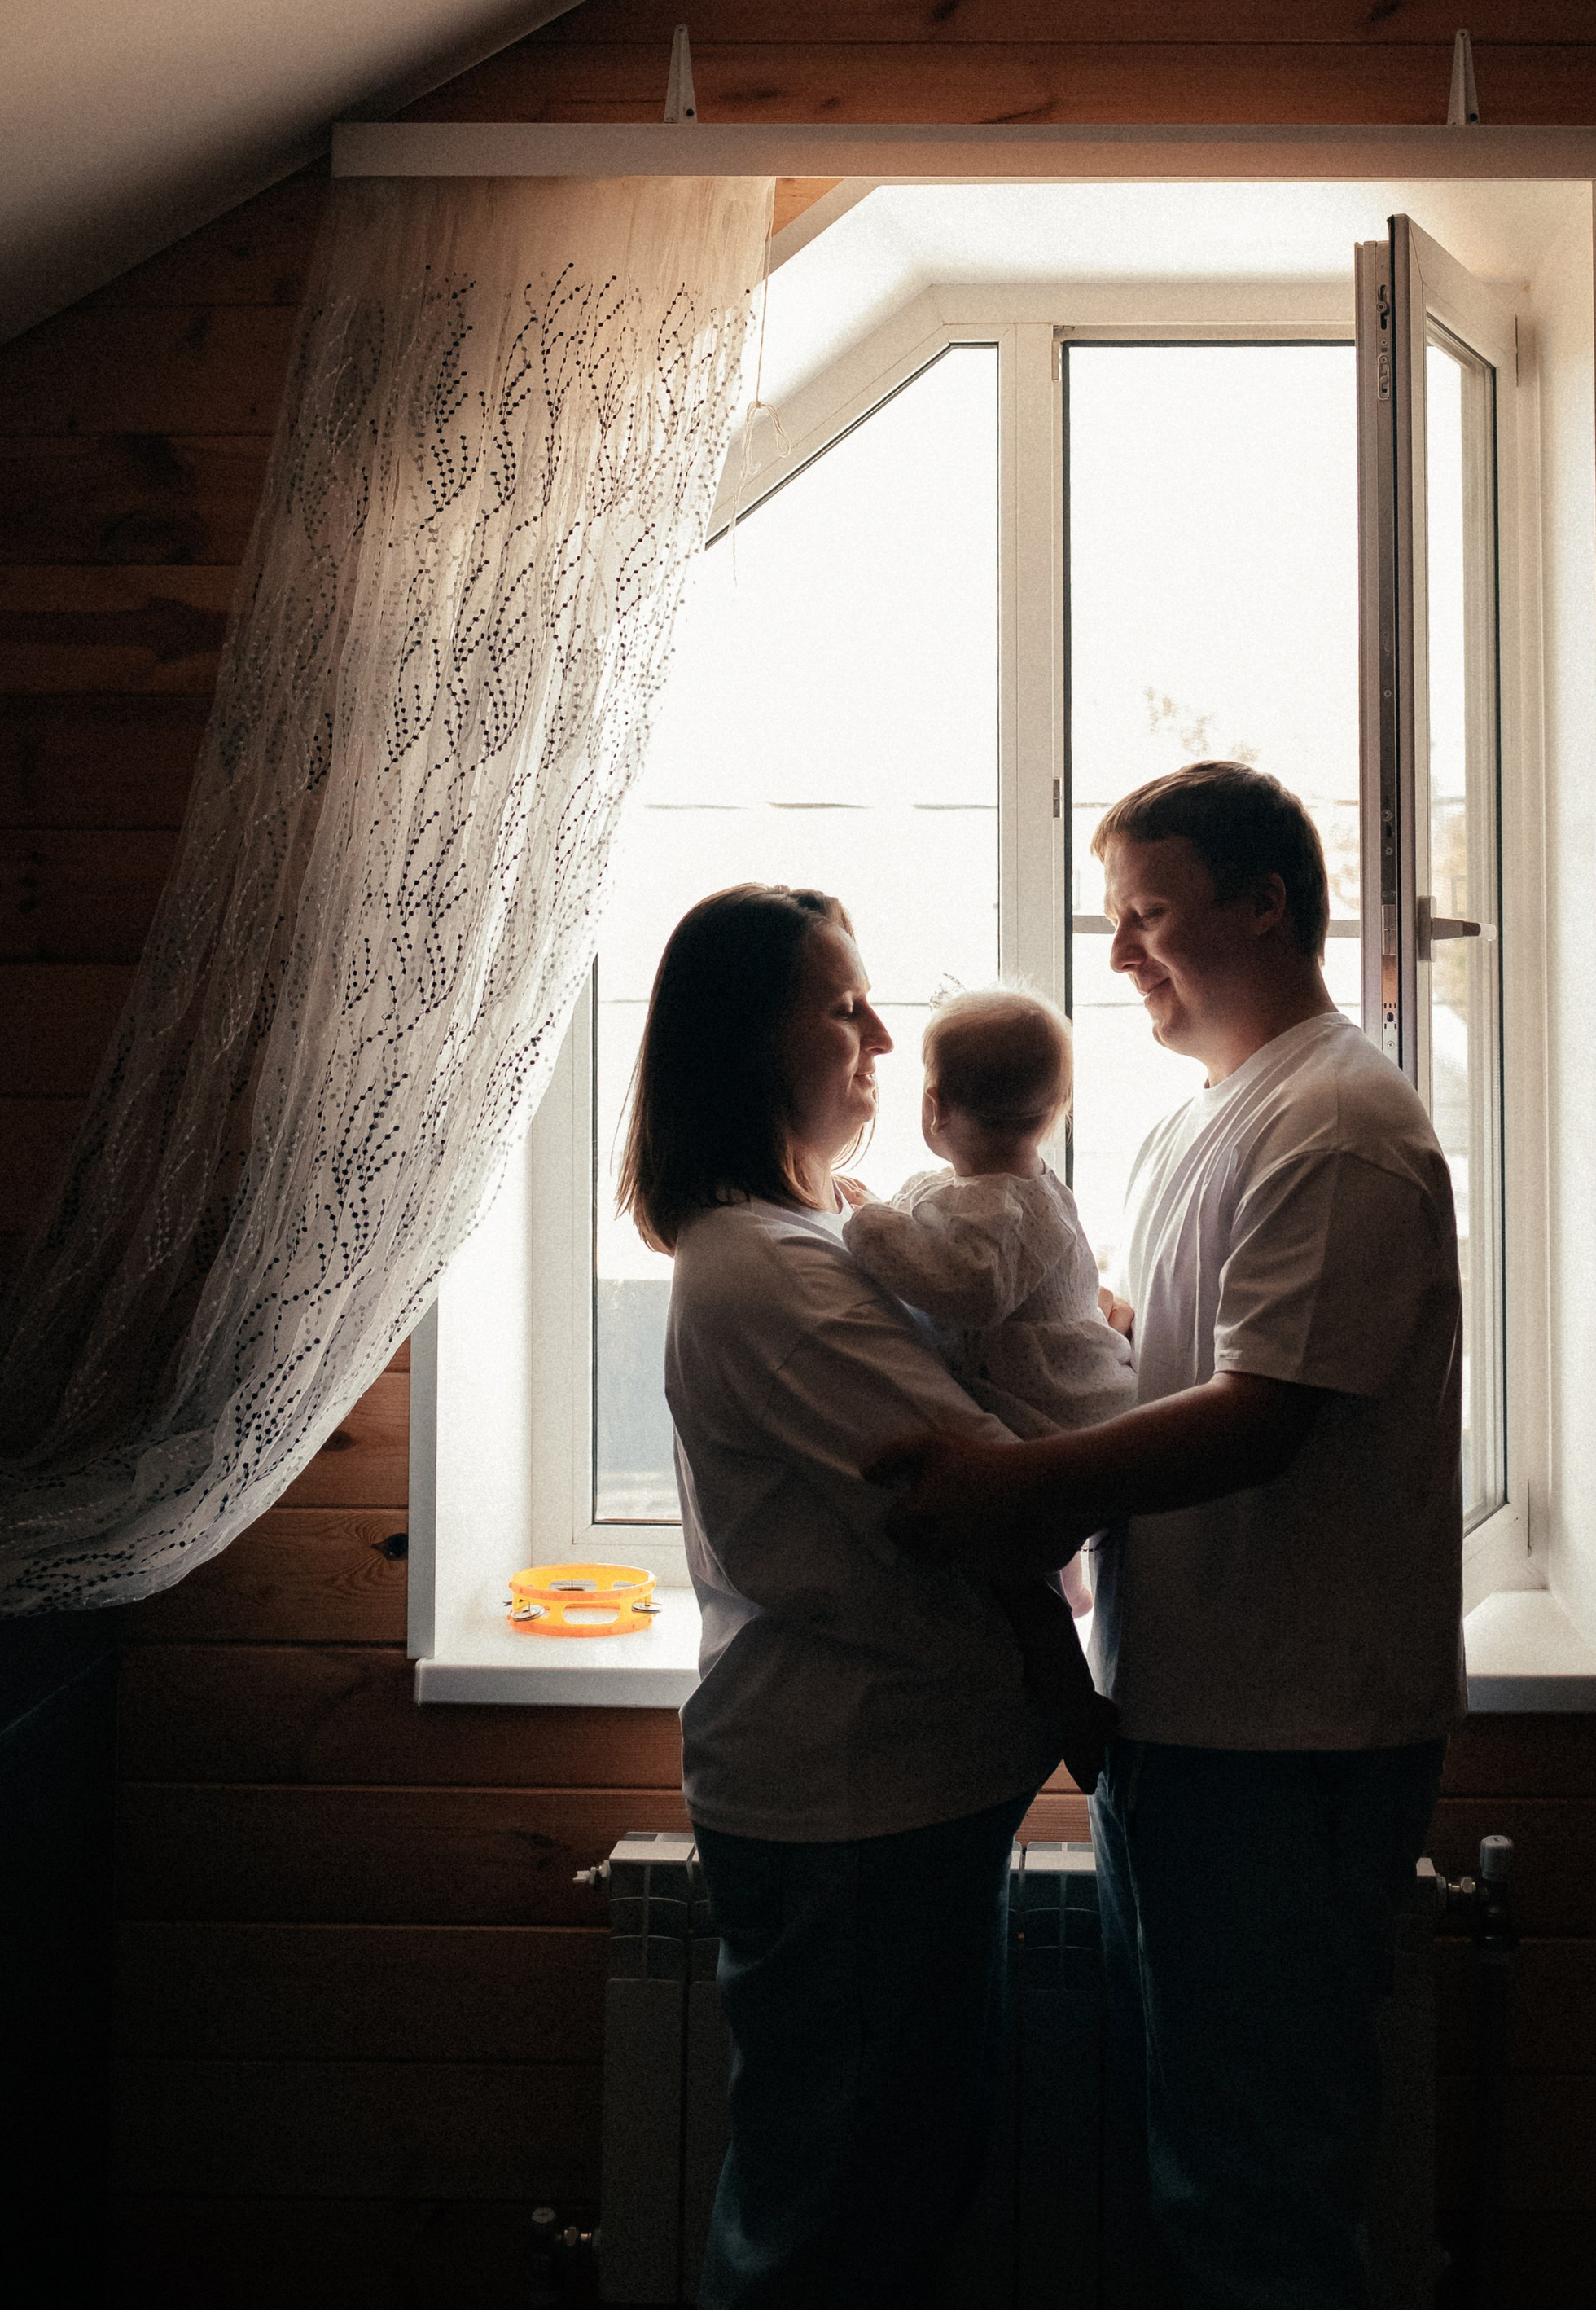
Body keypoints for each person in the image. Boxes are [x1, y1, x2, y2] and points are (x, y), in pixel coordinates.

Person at [871, 762, 1466, 2310]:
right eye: (1116, 919)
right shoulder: (1212, 1121)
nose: (1121, 952)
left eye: (1149, 913)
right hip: (1201, 1718)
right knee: (1208, 2160)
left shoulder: (1336, 1125)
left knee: (1252, 2185)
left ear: (1264, 903)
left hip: (1291, 1735)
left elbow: (1265, 1418)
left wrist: (1008, 1492)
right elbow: (1180, 1364)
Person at [628, 885, 1057, 2309]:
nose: (883, 1031)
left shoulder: (820, 1239)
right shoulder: (763, 1266)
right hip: (853, 1798)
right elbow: (986, 1488)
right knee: (832, 2219)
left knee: (887, 2192)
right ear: (753, 1045)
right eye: (840, 1004)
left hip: (891, 1794)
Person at [842, 986, 1135, 1788]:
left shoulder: (1001, 1205)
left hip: (1045, 1424)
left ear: (933, 1109)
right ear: (1056, 1110)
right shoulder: (1020, 1191)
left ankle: (1076, 1707)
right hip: (1061, 1410)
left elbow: (966, 1287)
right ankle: (1067, 1606)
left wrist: (866, 1225)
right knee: (1025, 1575)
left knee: (1016, 1581)